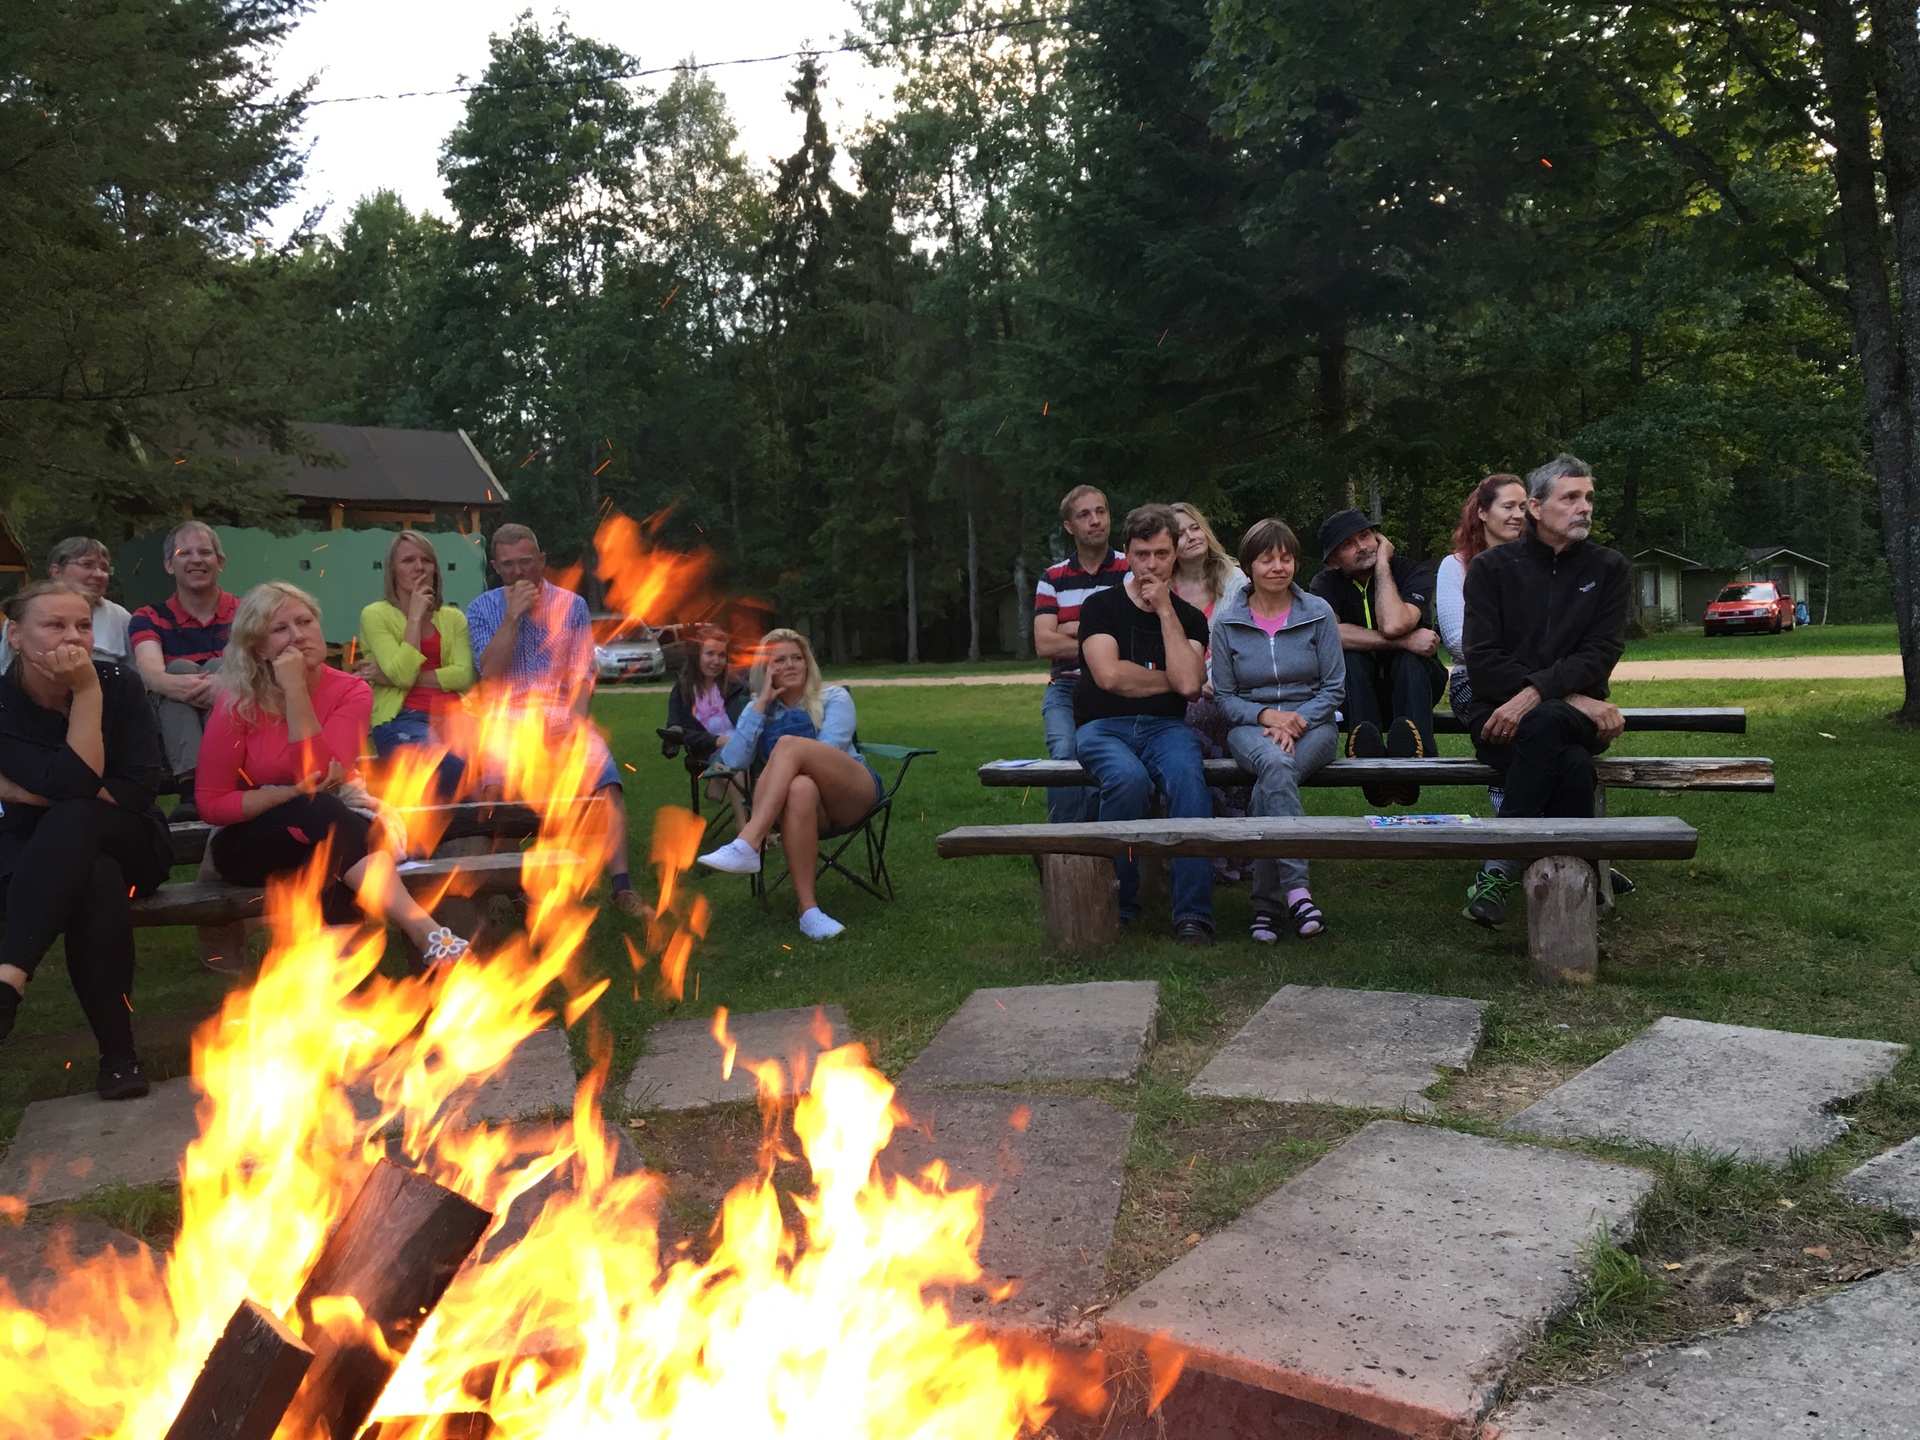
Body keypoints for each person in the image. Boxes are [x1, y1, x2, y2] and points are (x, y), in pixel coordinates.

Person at [197, 582, 471, 962]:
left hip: (332, 831)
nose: (299, 635)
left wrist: (295, 693)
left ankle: (339, 984)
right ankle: (426, 932)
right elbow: (211, 803)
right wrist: (288, 791)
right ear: (259, 648)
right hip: (252, 843)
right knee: (325, 815)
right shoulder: (237, 702)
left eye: (305, 621)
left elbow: (322, 774)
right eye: (280, 629)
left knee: (332, 848)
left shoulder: (351, 691)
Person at [0, 582, 174, 1099]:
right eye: (54, 625)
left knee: (78, 816)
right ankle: (119, 1058)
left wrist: (88, 692)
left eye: (82, 625)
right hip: (35, 855)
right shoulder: (3, 704)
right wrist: (66, 790)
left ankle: (9, 978)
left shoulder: (118, 684)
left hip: (133, 840)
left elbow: (137, 789)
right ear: (15, 635)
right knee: (95, 875)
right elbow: (83, 784)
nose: (73, 638)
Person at [1461, 454, 1629, 928]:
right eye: (1570, 497)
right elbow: (1483, 660)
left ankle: (1499, 866)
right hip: (1499, 718)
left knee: (1548, 721)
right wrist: (1563, 695)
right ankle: (1584, 882)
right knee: (1570, 764)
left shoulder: (1608, 568)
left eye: (1589, 497)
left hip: (1573, 719)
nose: (1584, 507)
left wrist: (1538, 695)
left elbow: (1600, 652)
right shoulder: (1491, 569)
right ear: (1535, 507)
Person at [466, 523, 648, 918]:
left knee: (607, 783)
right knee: (497, 792)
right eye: (508, 564)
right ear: (496, 567)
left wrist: (576, 724)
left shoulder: (572, 605)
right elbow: (490, 672)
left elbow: (583, 673)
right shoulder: (481, 609)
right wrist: (512, 617)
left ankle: (622, 888)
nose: (518, 571)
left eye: (526, 562)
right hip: (507, 716)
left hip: (562, 712)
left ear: (542, 560)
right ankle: (512, 889)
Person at [1072, 504, 1214, 944]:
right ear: (1127, 554)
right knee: (1127, 779)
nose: (1151, 565)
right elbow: (1109, 677)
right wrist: (1171, 678)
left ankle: (1193, 914)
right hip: (1101, 726)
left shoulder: (1190, 618)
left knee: (1189, 781)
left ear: (1175, 554)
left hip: (1165, 728)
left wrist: (1166, 612)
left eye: (1161, 554)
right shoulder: (1100, 607)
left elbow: (1189, 686)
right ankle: (1120, 901)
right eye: (1141, 554)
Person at [694, 629, 882, 941]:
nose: (790, 665)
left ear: (808, 664)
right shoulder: (757, 708)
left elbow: (830, 751)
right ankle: (809, 912)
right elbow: (733, 761)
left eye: (797, 658)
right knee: (800, 788)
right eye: (779, 660)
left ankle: (748, 841)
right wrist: (761, 704)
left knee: (788, 746)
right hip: (804, 809)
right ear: (765, 669)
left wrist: (785, 756)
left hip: (851, 791)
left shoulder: (834, 697)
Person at [1209, 520, 1344, 942]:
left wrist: (1297, 720)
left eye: (1286, 558)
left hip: (1315, 726)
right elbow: (1225, 697)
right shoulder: (1227, 623)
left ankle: (1267, 905)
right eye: (1267, 559)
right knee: (1276, 766)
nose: (1278, 567)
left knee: (1274, 774)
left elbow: (1334, 688)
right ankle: (1298, 894)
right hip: (1250, 728)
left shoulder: (1318, 612)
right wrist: (1268, 715)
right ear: (1249, 565)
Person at [1309, 509, 1446, 808]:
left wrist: (1383, 564)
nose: (1362, 546)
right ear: (1334, 561)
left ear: (1380, 539)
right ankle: (1366, 760)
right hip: (1359, 691)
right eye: (1348, 544)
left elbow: (1394, 623)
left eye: (1366, 536)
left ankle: (1416, 760)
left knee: (1410, 661)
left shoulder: (1410, 571)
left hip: (1416, 685)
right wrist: (1408, 640)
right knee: (1350, 661)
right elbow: (1331, 636)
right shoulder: (1324, 584)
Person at [129, 520, 238, 822]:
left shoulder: (246, 614)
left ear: (220, 562)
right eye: (184, 553)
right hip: (167, 721)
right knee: (176, 668)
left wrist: (225, 683)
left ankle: (197, 790)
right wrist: (189, 686)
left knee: (221, 667)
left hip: (238, 712)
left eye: (205, 552)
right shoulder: (149, 616)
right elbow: (151, 672)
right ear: (169, 564)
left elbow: (257, 668)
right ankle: (197, 788)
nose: (196, 560)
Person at [1033, 486, 1129, 825]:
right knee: (1064, 754)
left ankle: (1100, 842)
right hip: (1065, 687)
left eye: (1101, 512)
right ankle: (1063, 846)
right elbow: (1044, 645)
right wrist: (1102, 640)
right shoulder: (1052, 579)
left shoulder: (1130, 570)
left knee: (1107, 758)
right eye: (1084, 514)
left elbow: (1132, 638)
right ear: (1069, 526)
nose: (1095, 520)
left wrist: (1072, 627)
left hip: (1114, 686)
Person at [358, 530, 476, 796]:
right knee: (446, 765)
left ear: (435, 569)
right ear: (393, 570)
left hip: (454, 715)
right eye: (408, 560)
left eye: (426, 560)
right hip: (402, 718)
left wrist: (388, 677)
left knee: (496, 763)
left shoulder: (453, 618)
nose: (419, 567)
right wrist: (414, 616)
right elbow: (402, 674)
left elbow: (464, 676)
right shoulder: (375, 615)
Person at [1170, 501, 1252, 878]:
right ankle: (1196, 848)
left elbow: (1245, 641)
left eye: (1195, 527)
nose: (1191, 537)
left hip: (1229, 686)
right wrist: (1189, 682)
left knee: (1219, 718)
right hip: (1179, 688)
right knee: (1182, 725)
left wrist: (1215, 681)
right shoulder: (1161, 588)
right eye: (1180, 533)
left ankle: (1236, 850)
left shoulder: (1235, 580)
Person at [1435, 476, 1528, 720]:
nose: (1518, 515)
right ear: (1482, 512)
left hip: (1534, 680)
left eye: (1523, 507)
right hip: (1474, 680)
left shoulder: (1536, 566)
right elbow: (1458, 642)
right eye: (1508, 506)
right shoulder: (1455, 566)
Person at [0, 538, 132, 672]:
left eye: (104, 568)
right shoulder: (23, 612)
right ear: (56, 571)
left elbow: (135, 676)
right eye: (87, 564)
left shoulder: (120, 617)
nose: (99, 574)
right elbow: (4, 670)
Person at [664, 625, 751, 826]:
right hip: (706, 754)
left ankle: (751, 827)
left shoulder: (737, 685)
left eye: (721, 655)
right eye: (710, 654)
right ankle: (746, 827)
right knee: (738, 765)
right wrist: (716, 741)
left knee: (744, 757)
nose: (716, 661)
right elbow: (676, 731)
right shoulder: (683, 690)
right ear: (697, 655)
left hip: (745, 748)